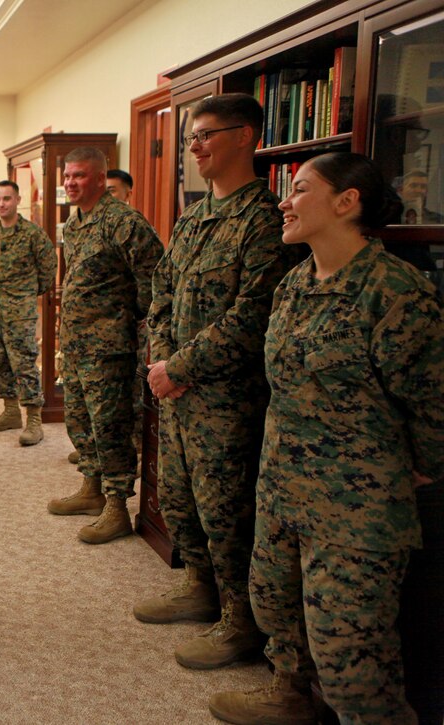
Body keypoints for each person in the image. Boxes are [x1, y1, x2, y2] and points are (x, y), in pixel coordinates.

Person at [210, 152, 444, 723]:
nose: (284, 203)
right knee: (275, 610)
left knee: (352, 665)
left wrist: (416, 467)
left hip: (356, 512)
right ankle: (289, 696)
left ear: (347, 202)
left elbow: (433, 404)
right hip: (283, 491)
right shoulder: (294, 284)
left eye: (299, 189)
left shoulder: (396, 293)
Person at [136, 93, 301, 669]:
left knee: (228, 511)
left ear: (245, 137)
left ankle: (241, 622)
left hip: (228, 400)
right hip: (176, 393)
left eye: (206, 134)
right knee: (182, 503)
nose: (196, 147)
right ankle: (201, 588)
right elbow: (161, 294)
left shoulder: (265, 221)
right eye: (191, 138)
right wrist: (162, 364)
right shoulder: (193, 217)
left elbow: (252, 316)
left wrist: (176, 370)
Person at [46, 148, 163, 544]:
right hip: (77, 343)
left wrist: (137, 327)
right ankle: (91, 488)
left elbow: (155, 278)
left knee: (111, 425)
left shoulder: (124, 222)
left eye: (78, 176)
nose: (70, 183)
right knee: (79, 418)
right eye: (67, 177)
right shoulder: (74, 222)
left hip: (111, 347)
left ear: (100, 178)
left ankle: (116, 506)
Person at [0, 180, 57, 446]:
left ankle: (34, 420)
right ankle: (11, 411)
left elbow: (49, 266)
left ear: (17, 200)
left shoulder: (32, 233)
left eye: (6, 198)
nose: (2, 204)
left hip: (20, 312)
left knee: (24, 365)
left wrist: (29, 293)